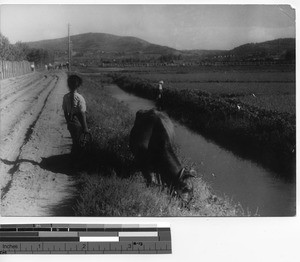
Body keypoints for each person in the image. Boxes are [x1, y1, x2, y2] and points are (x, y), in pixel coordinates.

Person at [62, 75, 89, 163]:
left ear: (68, 85)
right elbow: (82, 113)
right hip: (78, 123)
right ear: (78, 85)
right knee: (79, 143)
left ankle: (74, 159)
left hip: (71, 122)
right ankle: (76, 161)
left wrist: (68, 122)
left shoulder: (65, 97)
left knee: (75, 141)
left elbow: (65, 112)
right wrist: (85, 128)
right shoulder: (80, 97)